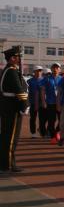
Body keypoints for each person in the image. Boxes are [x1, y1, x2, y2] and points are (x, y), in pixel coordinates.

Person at [0, 45, 29, 174]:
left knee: (6, 136)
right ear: (12, 58)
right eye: (17, 57)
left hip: (7, 106)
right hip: (12, 107)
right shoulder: (11, 71)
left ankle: (5, 163)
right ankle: (7, 165)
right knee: (11, 138)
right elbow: (19, 90)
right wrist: (24, 105)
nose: (19, 59)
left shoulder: (8, 70)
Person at [40, 62, 62, 140]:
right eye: (54, 68)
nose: (55, 69)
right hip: (50, 103)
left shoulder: (62, 79)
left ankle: (57, 131)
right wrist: (43, 101)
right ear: (51, 69)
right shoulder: (47, 79)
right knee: (51, 120)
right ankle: (53, 136)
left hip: (60, 103)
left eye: (57, 68)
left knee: (62, 120)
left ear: (60, 69)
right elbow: (42, 91)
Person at [27, 65, 42, 138]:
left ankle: (41, 129)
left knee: (43, 118)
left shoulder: (44, 80)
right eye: (37, 71)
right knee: (33, 118)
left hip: (42, 102)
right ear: (34, 72)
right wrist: (28, 101)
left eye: (40, 71)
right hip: (33, 102)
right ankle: (33, 133)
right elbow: (27, 91)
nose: (39, 72)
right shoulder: (29, 81)